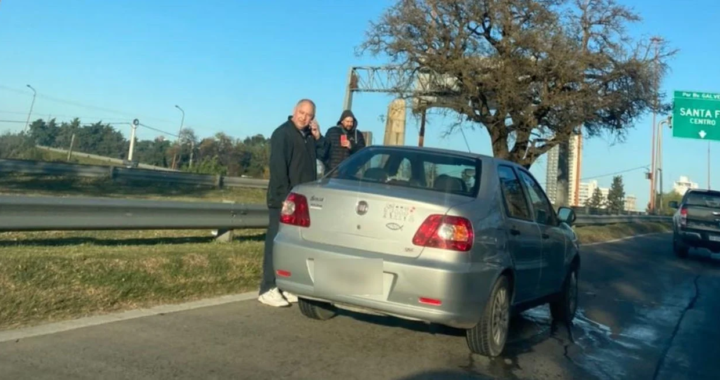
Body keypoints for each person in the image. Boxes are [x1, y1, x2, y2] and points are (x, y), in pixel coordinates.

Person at [258, 99, 329, 307]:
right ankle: (268, 288)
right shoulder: (283, 134)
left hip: (302, 202)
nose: (304, 118)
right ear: (294, 111)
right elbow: (278, 169)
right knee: (275, 243)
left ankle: (285, 285)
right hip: (284, 201)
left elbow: (325, 156)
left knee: (293, 247)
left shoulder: (308, 137)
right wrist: (283, 200)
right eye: (301, 113)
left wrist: (319, 137)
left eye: (309, 115)